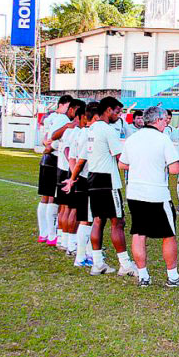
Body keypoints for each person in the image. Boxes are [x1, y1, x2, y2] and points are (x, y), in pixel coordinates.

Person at [118, 106, 179, 288]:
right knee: (169, 234)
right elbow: (175, 169)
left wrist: (141, 166)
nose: (166, 123)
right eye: (165, 120)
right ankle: (172, 276)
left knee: (139, 233)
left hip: (135, 193)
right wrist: (159, 166)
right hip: (157, 194)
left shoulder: (132, 139)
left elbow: (122, 164)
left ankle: (143, 276)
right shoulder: (162, 139)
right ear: (157, 120)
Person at [84, 96, 137, 277]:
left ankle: (97, 263)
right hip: (108, 180)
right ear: (108, 110)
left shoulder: (91, 129)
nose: (119, 115)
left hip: (93, 178)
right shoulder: (107, 130)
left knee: (98, 220)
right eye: (117, 111)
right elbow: (120, 157)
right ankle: (125, 264)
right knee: (118, 222)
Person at [64, 101, 99, 267]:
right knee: (87, 219)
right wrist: (74, 177)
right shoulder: (88, 134)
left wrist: (73, 175)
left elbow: (71, 156)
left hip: (82, 178)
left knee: (87, 218)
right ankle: (81, 256)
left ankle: (88, 253)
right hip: (87, 179)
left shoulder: (80, 133)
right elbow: (81, 159)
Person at [37, 94, 73, 246]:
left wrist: (46, 146)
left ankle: (43, 233)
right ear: (63, 105)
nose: (71, 111)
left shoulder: (49, 117)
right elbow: (55, 140)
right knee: (52, 197)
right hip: (55, 159)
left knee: (45, 197)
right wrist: (50, 147)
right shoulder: (63, 120)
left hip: (46, 159)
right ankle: (52, 234)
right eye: (70, 107)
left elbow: (44, 138)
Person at [49, 98, 84, 252]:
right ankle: (71, 243)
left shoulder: (67, 130)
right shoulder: (74, 130)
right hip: (69, 172)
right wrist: (74, 172)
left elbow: (54, 141)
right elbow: (67, 151)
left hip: (61, 169)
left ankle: (62, 239)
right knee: (73, 209)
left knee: (64, 208)